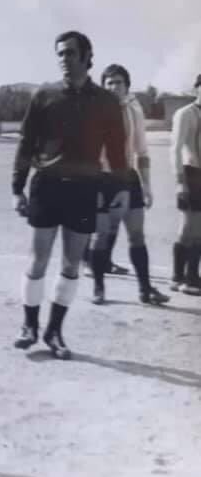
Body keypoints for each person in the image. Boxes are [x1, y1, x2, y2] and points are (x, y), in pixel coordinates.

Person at [11, 31, 128, 360]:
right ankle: (29, 326)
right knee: (38, 260)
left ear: (87, 56)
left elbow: (117, 151)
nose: (64, 59)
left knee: (72, 264)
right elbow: (26, 144)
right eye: (60, 54)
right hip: (47, 186)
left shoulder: (106, 102)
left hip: (84, 190)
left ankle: (54, 332)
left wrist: (118, 189)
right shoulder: (44, 95)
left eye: (71, 54)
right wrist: (17, 187)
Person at [89, 63, 168, 305]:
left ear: (127, 86)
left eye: (119, 82)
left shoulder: (134, 110)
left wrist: (146, 185)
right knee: (101, 236)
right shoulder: (94, 111)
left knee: (136, 235)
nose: (114, 86)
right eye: (109, 82)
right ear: (103, 86)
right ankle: (98, 287)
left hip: (129, 178)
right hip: (102, 179)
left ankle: (145, 289)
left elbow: (142, 151)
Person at [169, 74, 201, 295]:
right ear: (197, 88)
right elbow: (175, 149)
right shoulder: (186, 113)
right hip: (192, 173)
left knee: (196, 229)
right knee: (190, 227)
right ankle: (187, 278)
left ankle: (181, 276)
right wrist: (180, 182)